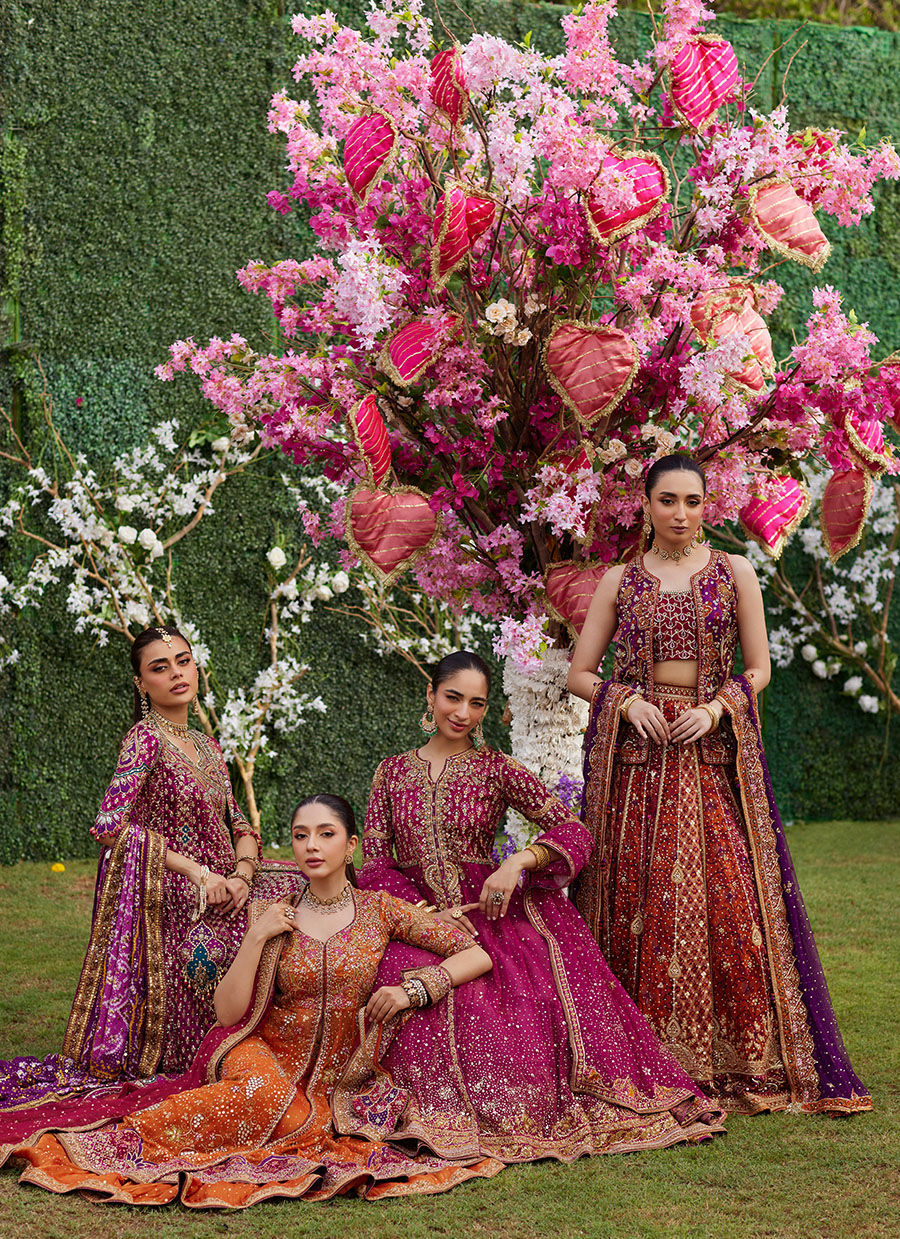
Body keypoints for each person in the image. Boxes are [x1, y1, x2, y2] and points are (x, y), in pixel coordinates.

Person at [1, 795, 501, 1207]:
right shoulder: (274, 910)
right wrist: (256, 936)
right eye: (301, 835)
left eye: (326, 834)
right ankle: (119, 1140)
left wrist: (415, 988)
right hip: (259, 1050)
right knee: (267, 1097)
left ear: (351, 846)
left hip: (335, 1079)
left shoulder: (380, 911)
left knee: (301, 1117)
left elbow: (474, 953)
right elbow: (227, 1014)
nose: (311, 845)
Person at [568, 453, 872, 1115]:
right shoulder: (620, 580)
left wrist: (715, 709)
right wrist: (624, 701)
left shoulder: (735, 572)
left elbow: (759, 668)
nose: (681, 513)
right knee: (636, 898)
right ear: (646, 504)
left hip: (709, 757)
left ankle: (739, 1058)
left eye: (693, 501)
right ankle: (640, 1055)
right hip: (638, 768)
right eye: (668, 500)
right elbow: (579, 673)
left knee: (730, 897)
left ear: (707, 504)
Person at [357, 650, 725, 1165]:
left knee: (509, 1005)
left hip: (488, 913)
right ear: (431, 695)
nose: (462, 713)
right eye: (453, 698)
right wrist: (419, 915)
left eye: (477, 704)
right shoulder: (391, 773)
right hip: (414, 917)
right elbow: (375, 862)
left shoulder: (497, 768)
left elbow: (574, 830)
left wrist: (517, 863)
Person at [0, 625, 298, 1117]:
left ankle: (306, 1039)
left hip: (228, 883)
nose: (177, 674)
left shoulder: (208, 746)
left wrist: (242, 875)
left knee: (301, 888)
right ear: (141, 684)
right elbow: (108, 826)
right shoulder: (145, 740)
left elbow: (241, 825)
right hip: (174, 897)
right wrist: (200, 874)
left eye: (183, 661)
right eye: (160, 668)